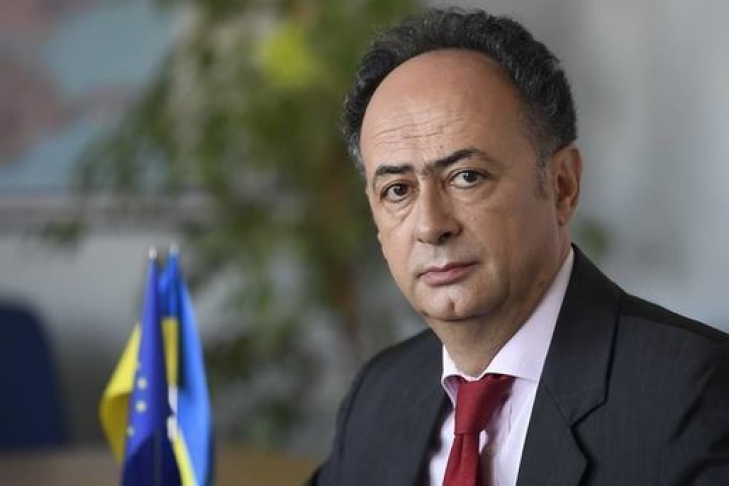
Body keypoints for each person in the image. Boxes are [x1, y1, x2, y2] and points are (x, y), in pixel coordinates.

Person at [308, 7, 729, 486]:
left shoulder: (694, 392)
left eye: (467, 177)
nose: (430, 226)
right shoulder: (380, 397)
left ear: (562, 185)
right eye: (398, 190)